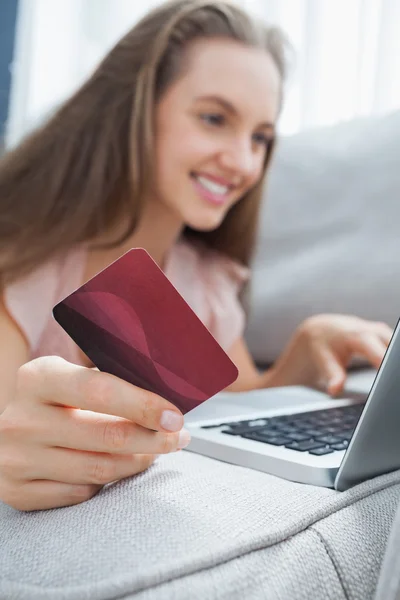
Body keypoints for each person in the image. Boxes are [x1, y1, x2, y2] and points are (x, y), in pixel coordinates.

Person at [0, 0, 392, 512]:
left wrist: (304, 350)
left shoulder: (208, 277)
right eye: (214, 118)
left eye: (260, 138)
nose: (243, 162)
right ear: (136, 108)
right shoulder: (25, 267)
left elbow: (232, 400)